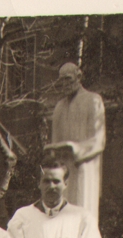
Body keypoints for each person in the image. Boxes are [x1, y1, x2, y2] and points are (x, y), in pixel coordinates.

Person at [44, 62, 106, 223]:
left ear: (78, 77)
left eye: (68, 79)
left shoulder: (93, 100)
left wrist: (77, 149)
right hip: (62, 172)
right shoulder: (59, 107)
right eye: (61, 80)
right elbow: (55, 142)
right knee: (61, 217)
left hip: (82, 168)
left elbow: (99, 140)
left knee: (81, 213)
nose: (64, 84)